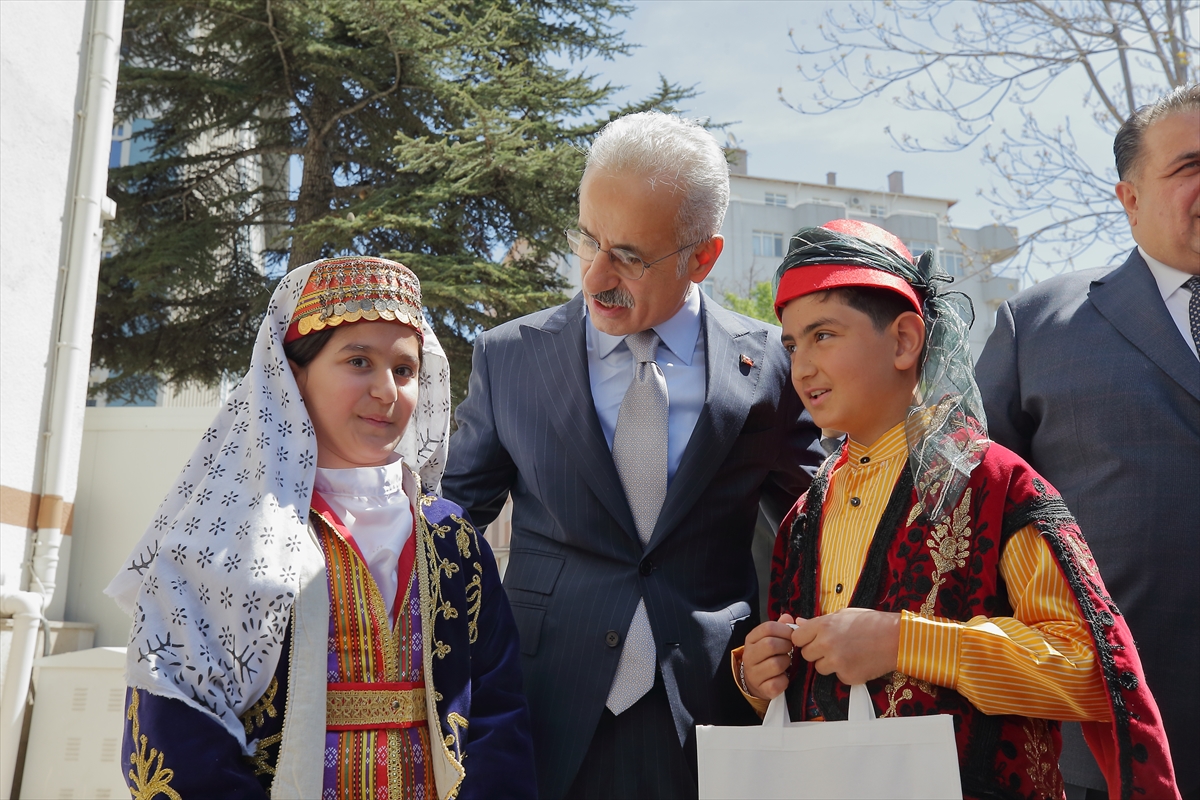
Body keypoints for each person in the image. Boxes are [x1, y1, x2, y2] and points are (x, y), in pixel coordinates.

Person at [441, 111, 822, 799]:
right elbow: (451, 533)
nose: (595, 277)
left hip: (713, 713)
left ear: (703, 257)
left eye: (630, 257)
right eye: (588, 239)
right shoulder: (508, 359)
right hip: (540, 710)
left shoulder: (771, 365)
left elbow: (825, 524)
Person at [737, 219, 1178, 800]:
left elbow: (1092, 672)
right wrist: (758, 672)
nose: (801, 367)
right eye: (792, 344)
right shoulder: (803, 515)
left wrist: (905, 642)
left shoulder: (998, 485)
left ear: (903, 340)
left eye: (824, 335)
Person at [106, 257, 535, 799]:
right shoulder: (226, 535)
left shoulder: (451, 536)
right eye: (359, 361)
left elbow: (498, 708)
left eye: (405, 370)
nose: (387, 390)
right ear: (293, 375)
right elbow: (174, 731)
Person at [976, 84, 1200, 800]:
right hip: (1108, 741)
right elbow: (971, 523)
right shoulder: (1039, 327)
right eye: (1191, 164)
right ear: (1129, 198)